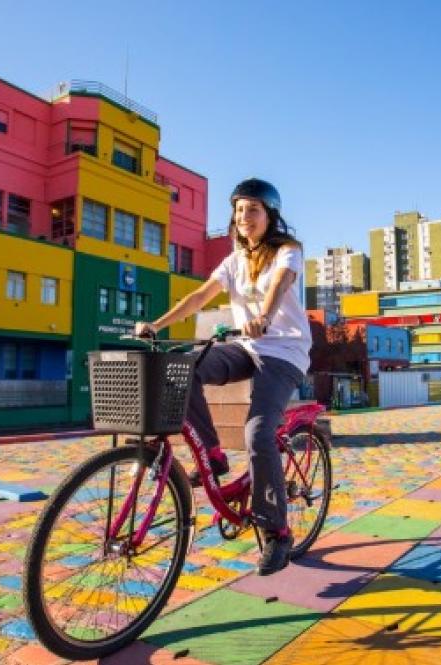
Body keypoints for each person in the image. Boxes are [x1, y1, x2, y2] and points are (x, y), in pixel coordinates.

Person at [134, 177, 311, 576]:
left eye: (252, 209)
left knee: (258, 433)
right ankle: (212, 457)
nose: (243, 216)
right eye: (238, 209)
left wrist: (264, 316)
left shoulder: (287, 251)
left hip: (284, 352)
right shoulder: (233, 261)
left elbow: (281, 284)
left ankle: (277, 530)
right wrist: (157, 325)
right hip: (247, 347)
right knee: (181, 369)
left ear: (270, 216)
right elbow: (198, 297)